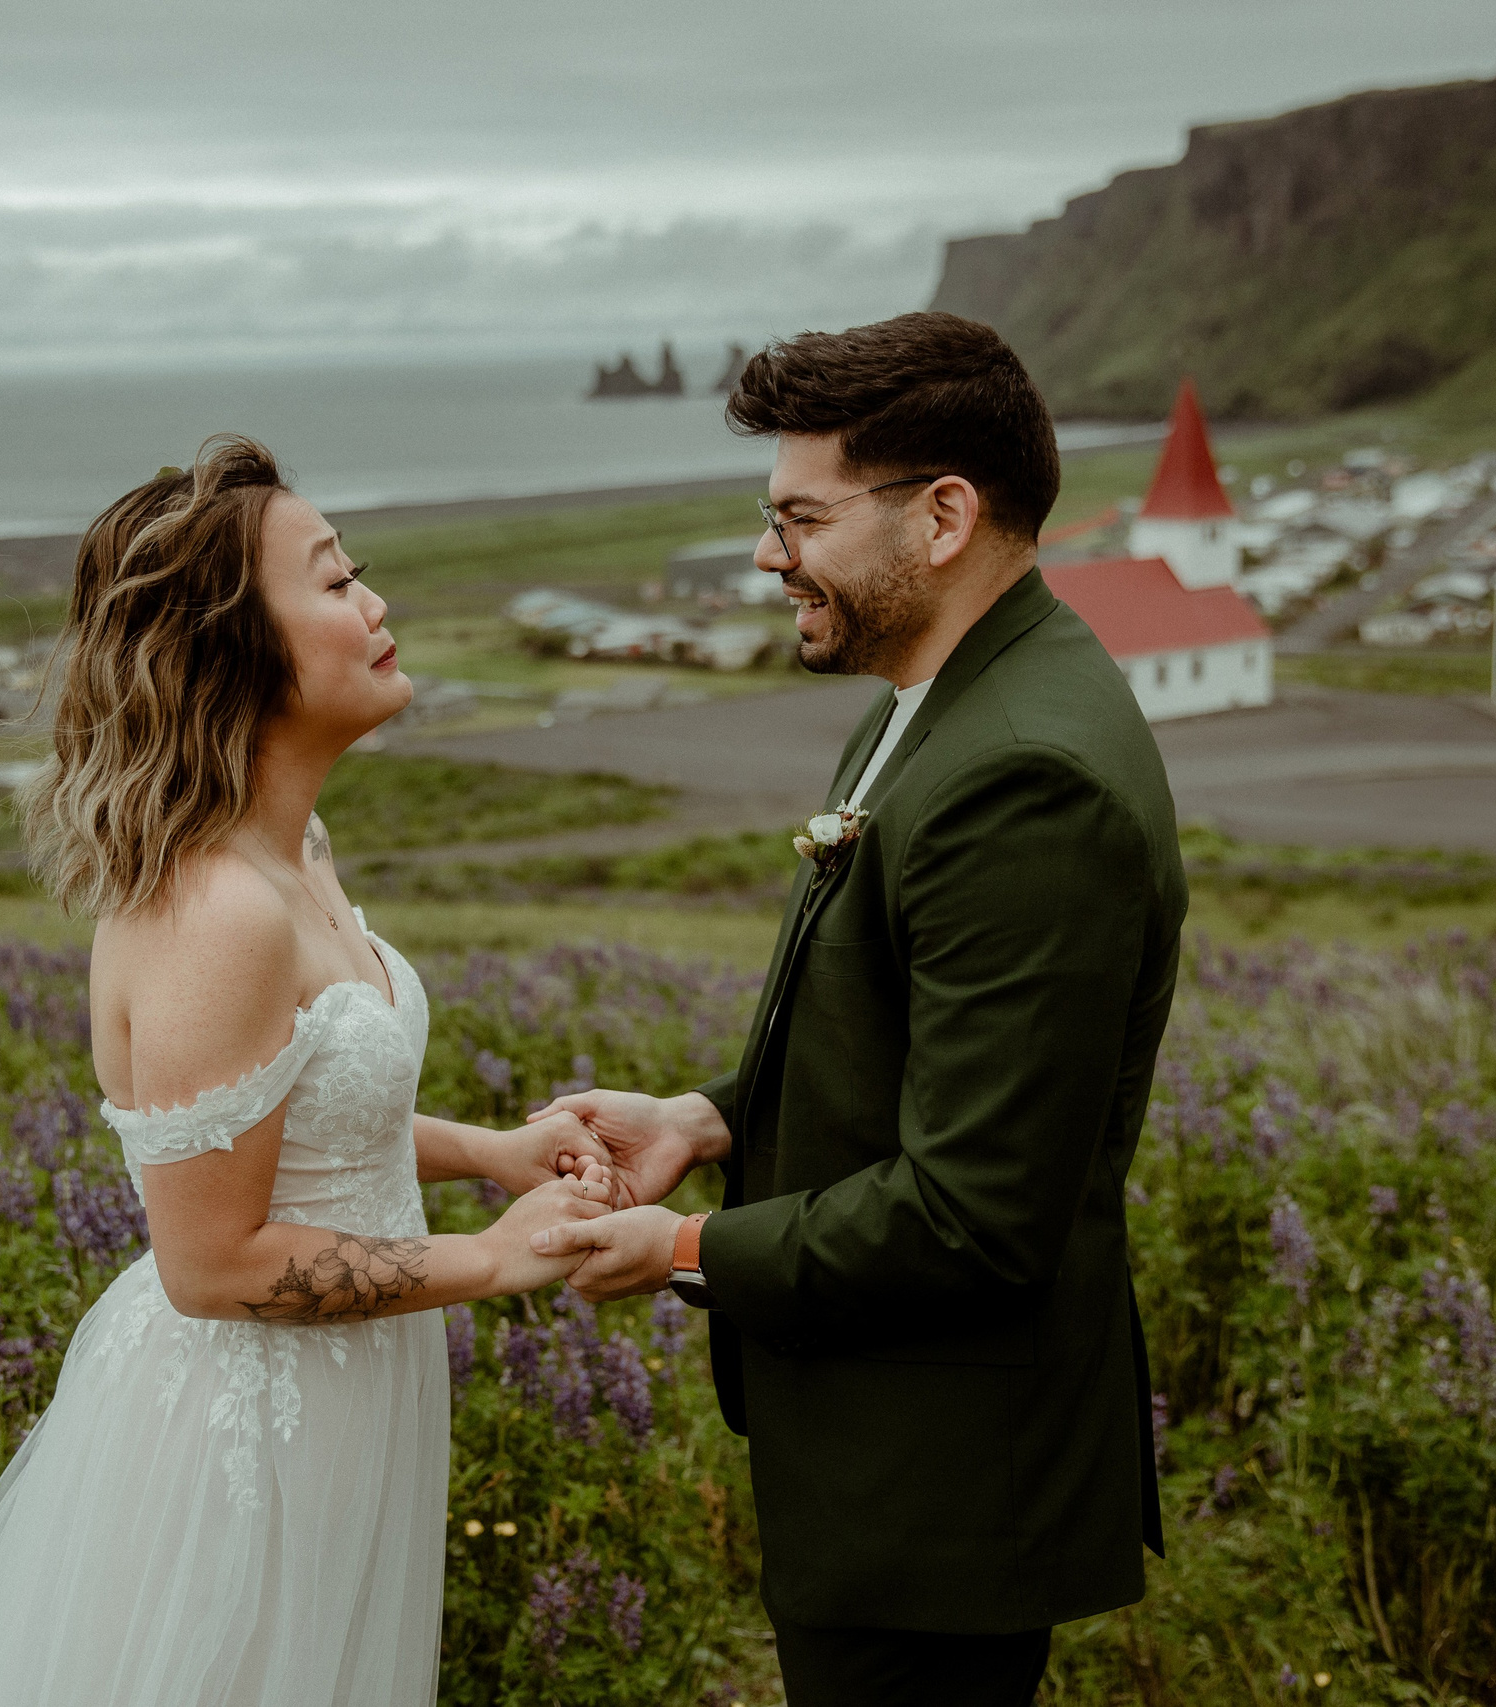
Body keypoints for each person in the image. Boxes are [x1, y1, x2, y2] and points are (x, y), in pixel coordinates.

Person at [0, 436, 613, 1707]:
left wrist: (483, 1150)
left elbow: (308, 1104)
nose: (375, 604)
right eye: (333, 583)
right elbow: (210, 1262)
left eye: (358, 571)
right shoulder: (214, 907)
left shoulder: (297, 848)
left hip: (350, 1373)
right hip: (239, 1413)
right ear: (234, 647)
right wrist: (493, 1257)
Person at [533, 313, 1182, 1707]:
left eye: (799, 517)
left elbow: (975, 1209)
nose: (771, 555)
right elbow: (907, 1035)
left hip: (941, 1485)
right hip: (892, 1459)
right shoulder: (927, 701)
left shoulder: (1028, 776)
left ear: (943, 514)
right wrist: (705, 1118)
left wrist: (682, 1245)